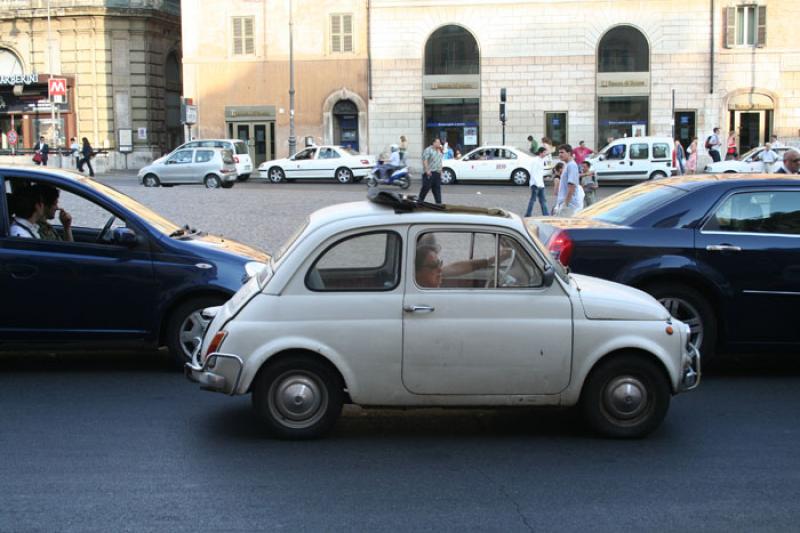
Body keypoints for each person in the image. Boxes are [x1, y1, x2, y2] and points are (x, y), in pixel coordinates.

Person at [554, 144, 583, 217]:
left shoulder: (571, 165)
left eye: (562, 152)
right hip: (566, 203)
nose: (560, 154)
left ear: (569, 153)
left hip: (569, 205)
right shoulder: (567, 165)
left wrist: (565, 204)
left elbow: (571, 186)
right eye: (559, 152)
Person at [524, 147, 549, 217]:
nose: (545, 154)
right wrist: (536, 183)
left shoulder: (542, 160)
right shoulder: (535, 160)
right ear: (541, 153)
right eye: (544, 152)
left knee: (543, 200)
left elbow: (548, 158)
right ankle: (528, 214)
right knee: (533, 200)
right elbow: (533, 172)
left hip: (541, 184)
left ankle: (546, 214)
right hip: (535, 184)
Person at [419, 138, 443, 204]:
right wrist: (427, 170)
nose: (439, 143)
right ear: (433, 143)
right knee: (425, 188)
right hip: (430, 173)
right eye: (438, 142)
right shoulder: (428, 150)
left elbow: (440, 161)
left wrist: (441, 171)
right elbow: (425, 160)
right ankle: (420, 201)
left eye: (439, 142)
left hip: (437, 173)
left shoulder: (439, 151)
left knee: (437, 190)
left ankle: (439, 203)